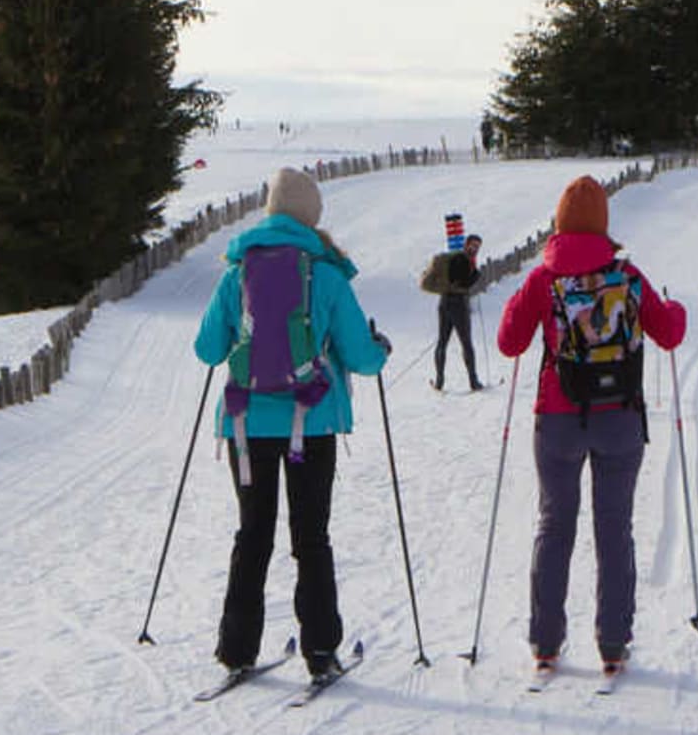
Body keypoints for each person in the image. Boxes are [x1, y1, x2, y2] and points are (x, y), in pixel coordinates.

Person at [194, 166, 390, 681]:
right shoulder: (324, 273)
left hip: (246, 426)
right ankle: (320, 651)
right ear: (311, 216)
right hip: (312, 423)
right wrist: (379, 350)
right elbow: (361, 357)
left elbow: (207, 348)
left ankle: (237, 649)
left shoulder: (237, 272)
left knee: (252, 533)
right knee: (311, 537)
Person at [496, 174, 686, 677]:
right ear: (604, 224)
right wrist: (676, 310)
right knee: (614, 528)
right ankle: (614, 642)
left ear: (558, 223)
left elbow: (509, 343)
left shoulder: (543, 279)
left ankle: (545, 641)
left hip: (557, 421)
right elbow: (668, 333)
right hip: (620, 419)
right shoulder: (628, 277)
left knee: (554, 525)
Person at [432, 233, 484, 392]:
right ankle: (473, 381)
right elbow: (463, 282)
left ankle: (439, 381)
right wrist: (476, 275)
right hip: (458, 305)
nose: (475, 249)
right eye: (473, 245)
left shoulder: (455, 258)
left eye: (477, 247)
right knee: (466, 343)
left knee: (442, 342)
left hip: (444, 303)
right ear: (467, 244)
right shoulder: (463, 260)